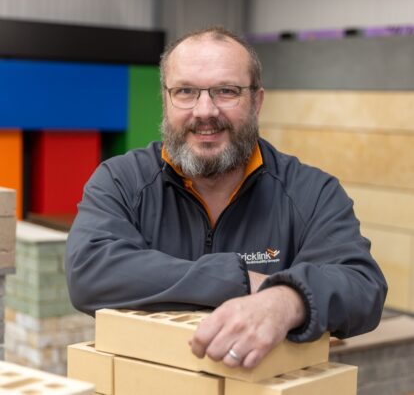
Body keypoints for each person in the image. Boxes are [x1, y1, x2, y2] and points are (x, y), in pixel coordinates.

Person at [65, 26, 387, 370]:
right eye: (185, 91)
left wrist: (288, 299)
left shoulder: (311, 193)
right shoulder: (121, 181)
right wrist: (242, 280)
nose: (205, 111)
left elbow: (362, 288)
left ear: (257, 101)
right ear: (166, 99)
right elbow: (89, 271)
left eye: (226, 91)